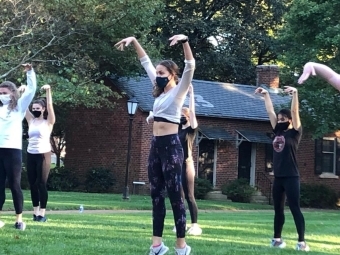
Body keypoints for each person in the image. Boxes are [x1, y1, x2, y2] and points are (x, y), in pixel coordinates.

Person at [115, 34, 195, 255]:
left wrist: (185, 41)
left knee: (175, 196)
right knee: (156, 195)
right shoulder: (159, 94)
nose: (158, 76)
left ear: (172, 76)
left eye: (162, 73)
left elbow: (190, 65)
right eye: (157, 73)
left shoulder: (179, 91)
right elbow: (145, 62)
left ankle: (181, 246)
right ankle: (157, 246)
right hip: (156, 146)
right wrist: (133, 40)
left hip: (172, 147)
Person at [255, 86, 309, 251]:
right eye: (279, 118)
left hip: (292, 177)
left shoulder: (295, 133)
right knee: (278, 210)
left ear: (290, 120)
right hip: (278, 177)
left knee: (294, 208)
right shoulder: (277, 130)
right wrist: (266, 95)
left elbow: (295, 110)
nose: (280, 120)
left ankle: (302, 242)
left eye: (283, 118)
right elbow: (270, 111)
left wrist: (295, 94)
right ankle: (276, 240)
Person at [0, 64, 37, 230]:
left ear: (13, 93)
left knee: (14, 184)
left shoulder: (19, 107)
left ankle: (19, 219)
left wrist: (30, 72)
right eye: (0, 93)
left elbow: (31, 89)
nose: (2, 96)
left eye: (5, 93)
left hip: (13, 150)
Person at [20, 84, 55, 222]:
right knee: (32, 184)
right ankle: (35, 212)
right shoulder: (30, 120)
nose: (35, 110)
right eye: (33, 109)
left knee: (41, 183)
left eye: (37, 109)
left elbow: (51, 105)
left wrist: (48, 91)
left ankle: (42, 213)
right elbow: (23, 106)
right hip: (31, 154)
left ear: (43, 109)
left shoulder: (49, 122)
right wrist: (23, 92)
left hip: (43, 155)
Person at [172, 84, 201, 236]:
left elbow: (193, 114)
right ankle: (180, 223)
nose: (181, 117)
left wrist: (191, 93)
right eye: (180, 115)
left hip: (187, 165)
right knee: (178, 196)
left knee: (189, 196)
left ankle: (195, 225)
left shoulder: (191, 131)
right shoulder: (177, 130)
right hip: (176, 165)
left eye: (184, 115)